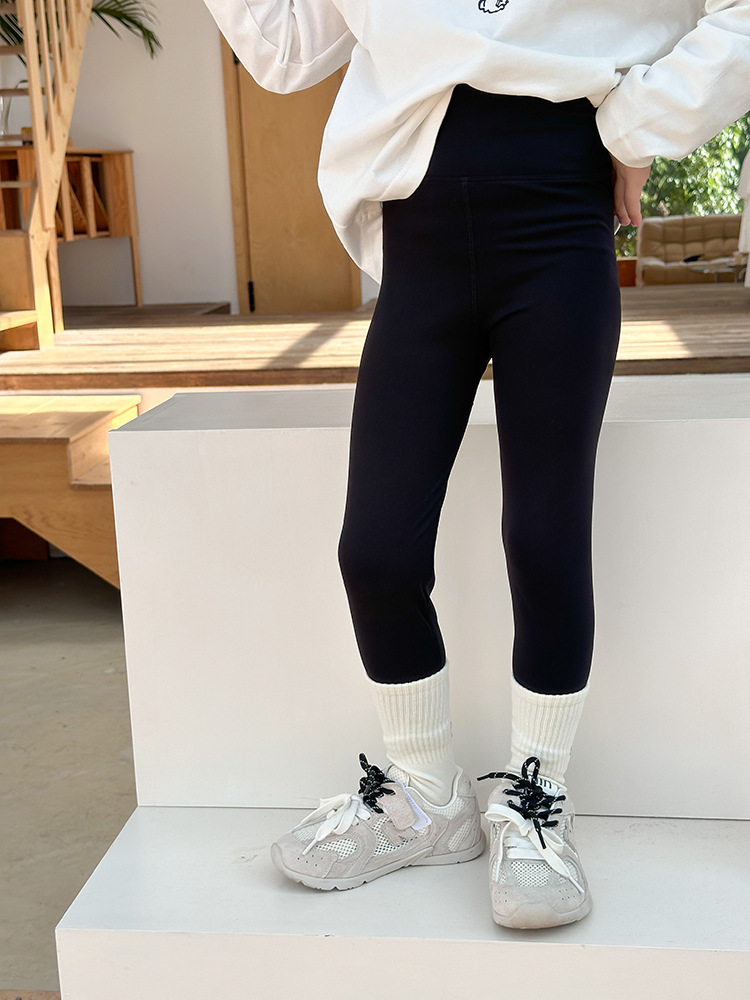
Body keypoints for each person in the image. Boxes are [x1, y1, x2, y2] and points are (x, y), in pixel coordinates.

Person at [202, 0, 750, 929]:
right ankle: (427, 798)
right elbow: (286, 48)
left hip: (558, 211)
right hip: (420, 228)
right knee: (375, 550)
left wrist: (641, 123)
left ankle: (537, 800)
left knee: (543, 537)